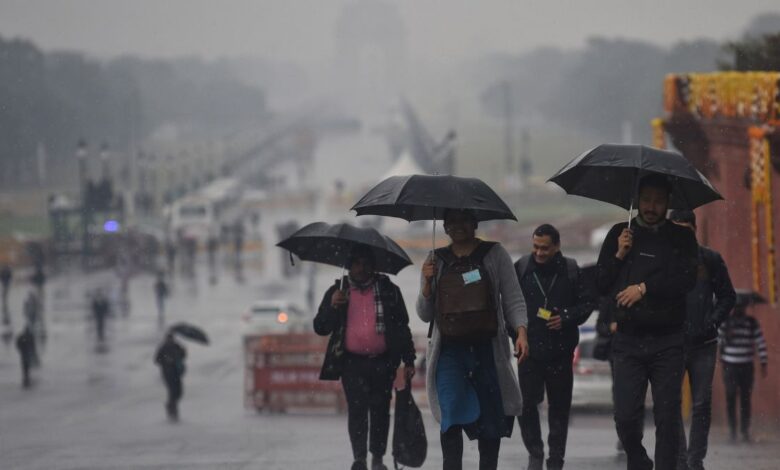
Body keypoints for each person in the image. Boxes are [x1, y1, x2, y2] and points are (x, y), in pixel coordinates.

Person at [595, 174, 698, 470]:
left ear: (668, 203)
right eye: (646, 200)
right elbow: (601, 284)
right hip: (628, 341)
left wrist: (644, 288)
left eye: (658, 200)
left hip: (668, 340)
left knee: (667, 416)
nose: (652, 206)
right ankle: (639, 460)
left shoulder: (681, 237)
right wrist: (618, 254)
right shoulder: (620, 233)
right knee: (625, 417)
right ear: (637, 200)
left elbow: (686, 280)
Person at [417, 209, 529, 470]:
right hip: (449, 353)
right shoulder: (435, 260)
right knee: (451, 415)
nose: (457, 226)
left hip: (487, 349)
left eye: (463, 220)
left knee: (491, 422)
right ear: (444, 227)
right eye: (452, 221)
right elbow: (424, 314)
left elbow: (513, 298)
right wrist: (426, 285)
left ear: (475, 223)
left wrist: (521, 332)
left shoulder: (495, 254)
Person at [314, 246, 416, 470]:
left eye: (366, 263)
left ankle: (377, 458)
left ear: (374, 265)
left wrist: (409, 360)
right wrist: (332, 306)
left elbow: (402, 327)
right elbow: (320, 327)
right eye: (357, 263)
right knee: (357, 410)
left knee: (380, 410)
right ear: (349, 265)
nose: (362, 268)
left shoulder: (389, 291)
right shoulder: (337, 291)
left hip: (382, 361)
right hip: (351, 363)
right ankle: (359, 458)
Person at [514, 224, 595, 470]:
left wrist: (567, 317)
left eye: (545, 248)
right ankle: (535, 452)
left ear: (557, 246)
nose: (539, 252)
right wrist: (516, 335)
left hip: (560, 352)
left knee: (559, 409)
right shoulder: (521, 268)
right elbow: (508, 305)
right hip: (528, 351)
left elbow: (587, 304)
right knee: (525, 405)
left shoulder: (571, 270)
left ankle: (556, 459)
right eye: (535, 247)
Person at [668, 210, 736, 470]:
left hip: (704, 344)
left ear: (695, 230)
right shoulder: (663, 262)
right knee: (670, 403)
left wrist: (712, 322)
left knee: (701, 403)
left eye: (686, 229)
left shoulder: (710, 259)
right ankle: (681, 459)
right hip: (671, 343)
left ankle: (696, 459)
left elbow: (728, 297)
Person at [718, 291, 768, 443]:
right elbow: (718, 343)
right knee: (731, 397)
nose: (739, 309)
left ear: (745, 307)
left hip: (746, 365)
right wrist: (727, 335)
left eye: (742, 307)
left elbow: (760, 342)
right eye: (737, 307)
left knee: (746, 398)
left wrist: (763, 362)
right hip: (730, 366)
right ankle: (733, 431)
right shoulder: (725, 323)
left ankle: (744, 430)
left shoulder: (752, 323)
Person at [154, 333, 186, 421]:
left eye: (171, 339)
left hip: (177, 373)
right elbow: (156, 360)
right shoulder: (163, 348)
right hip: (167, 374)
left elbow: (183, 356)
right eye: (168, 339)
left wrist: (183, 350)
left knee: (179, 392)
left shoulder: (177, 346)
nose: (170, 341)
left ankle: (170, 406)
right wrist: (166, 360)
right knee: (172, 392)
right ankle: (173, 412)